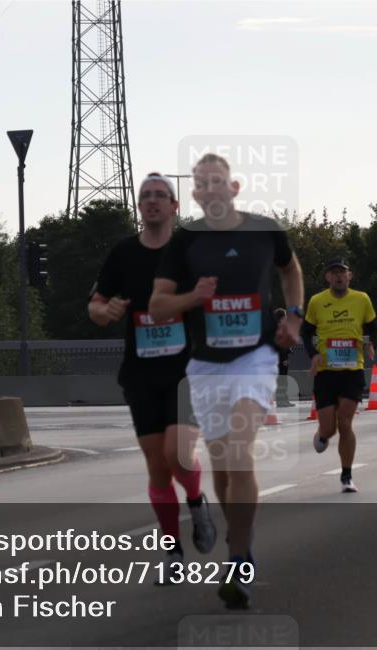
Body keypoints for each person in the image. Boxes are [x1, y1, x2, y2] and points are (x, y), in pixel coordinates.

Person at [150, 153, 304, 609]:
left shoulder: (265, 230)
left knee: (240, 451)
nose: (211, 189)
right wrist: (192, 297)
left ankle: (238, 561)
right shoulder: (185, 243)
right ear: (195, 194)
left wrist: (293, 317)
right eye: (202, 183)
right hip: (205, 366)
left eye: (218, 181)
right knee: (222, 467)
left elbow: (290, 269)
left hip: (255, 358)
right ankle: (243, 540)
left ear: (233, 188)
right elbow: (158, 306)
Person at [88, 173, 216, 585]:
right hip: (141, 372)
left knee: (178, 455)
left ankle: (196, 502)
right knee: (157, 468)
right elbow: (96, 302)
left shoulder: (192, 251)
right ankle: (173, 553)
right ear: (140, 206)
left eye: (161, 195)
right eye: (146, 196)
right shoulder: (124, 253)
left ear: (175, 207)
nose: (153, 201)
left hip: (187, 369)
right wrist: (102, 312)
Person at [302, 256, 377, 492]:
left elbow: (373, 327)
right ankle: (324, 434)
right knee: (330, 428)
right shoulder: (317, 301)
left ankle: (347, 475)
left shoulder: (361, 299)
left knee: (345, 422)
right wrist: (313, 354)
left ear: (349, 276)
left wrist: (372, 343)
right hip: (326, 371)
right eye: (333, 272)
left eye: (342, 272)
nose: (338, 276)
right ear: (327, 277)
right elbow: (306, 332)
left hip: (352, 369)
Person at [273, 308, 294, 407]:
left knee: (282, 379)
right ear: (281, 318)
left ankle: (283, 400)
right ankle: (282, 401)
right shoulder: (279, 328)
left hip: (281, 357)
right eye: (285, 316)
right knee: (282, 379)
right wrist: (285, 358)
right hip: (281, 357)